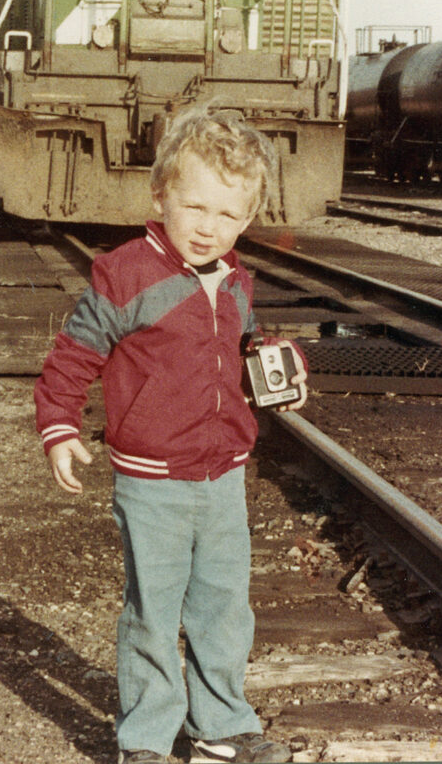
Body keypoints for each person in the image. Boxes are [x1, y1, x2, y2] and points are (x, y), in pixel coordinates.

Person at [34, 106, 308, 764]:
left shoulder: (237, 279)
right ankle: (147, 739)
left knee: (222, 607)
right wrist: (60, 424)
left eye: (228, 216)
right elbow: (72, 357)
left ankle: (220, 725)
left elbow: (233, 346)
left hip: (223, 477)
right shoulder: (125, 275)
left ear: (247, 219)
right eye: (196, 208)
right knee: (153, 614)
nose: (210, 228)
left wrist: (267, 359)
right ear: (160, 195)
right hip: (152, 482)